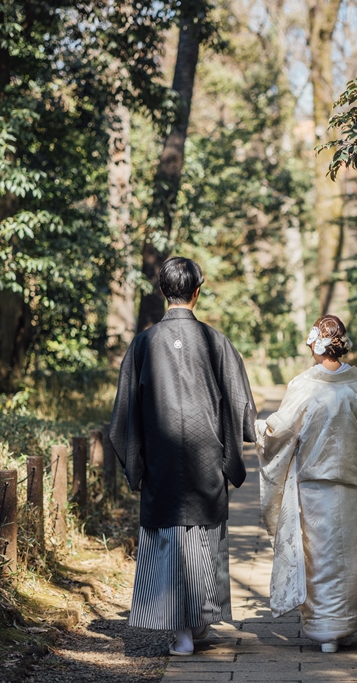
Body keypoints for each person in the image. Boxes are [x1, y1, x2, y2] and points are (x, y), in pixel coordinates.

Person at [108, 256, 256, 656]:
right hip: (206, 457)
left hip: (160, 458)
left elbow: (123, 416)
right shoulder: (216, 342)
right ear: (197, 291)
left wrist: (134, 462)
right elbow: (241, 406)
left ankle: (181, 634)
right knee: (203, 540)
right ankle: (200, 621)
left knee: (167, 539)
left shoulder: (143, 343)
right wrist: (236, 449)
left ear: (162, 292)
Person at [256, 314, 357, 653]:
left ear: (317, 345)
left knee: (319, 558)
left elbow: (280, 431)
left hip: (314, 486)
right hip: (354, 482)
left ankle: (324, 629)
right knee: (349, 556)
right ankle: (344, 625)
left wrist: (258, 430)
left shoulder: (305, 384)